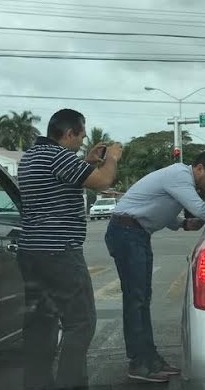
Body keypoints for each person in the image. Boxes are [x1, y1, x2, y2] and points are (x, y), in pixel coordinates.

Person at [17, 108, 123, 390]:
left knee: (42, 324)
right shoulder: (59, 157)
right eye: (81, 136)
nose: (82, 141)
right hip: (60, 253)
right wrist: (111, 157)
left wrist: (86, 161)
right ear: (68, 134)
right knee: (81, 323)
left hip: (31, 252)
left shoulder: (31, 157)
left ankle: (37, 384)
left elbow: (59, 181)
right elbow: (103, 181)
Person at [104, 150, 205, 383]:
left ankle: (149, 359)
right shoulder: (180, 175)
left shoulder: (178, 180)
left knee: (141, 300)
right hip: (127, 233)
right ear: (199, 168)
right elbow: (201, 209)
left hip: (134, 234)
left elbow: (164, 209)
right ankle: (139, 363)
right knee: (136, 300)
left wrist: (182, 224)